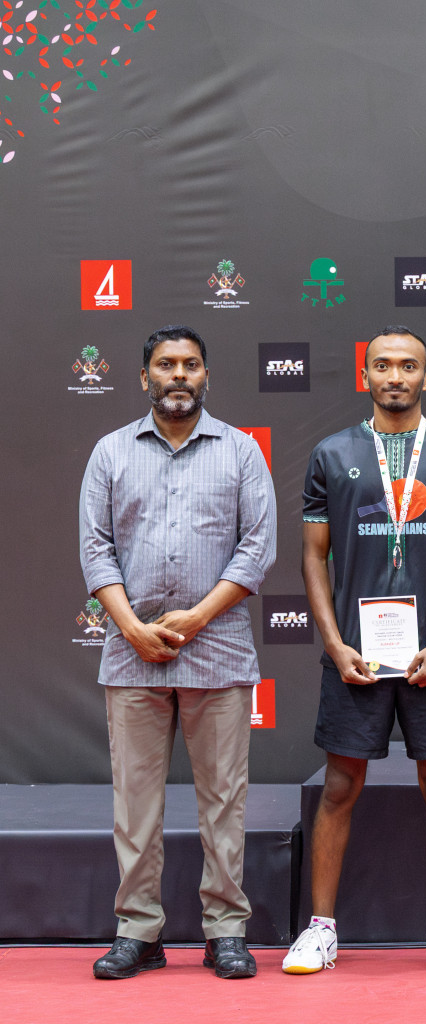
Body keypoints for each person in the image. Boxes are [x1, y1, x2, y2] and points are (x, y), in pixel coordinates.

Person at [284, 326, 426, 975]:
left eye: (408, 366)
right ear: (365, 376)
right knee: (340, 786)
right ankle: (321, 930)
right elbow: (313, 556)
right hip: (357, 658)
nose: (395, 376)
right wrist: (333, 641)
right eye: (383, 365)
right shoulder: (331, 452)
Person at [79, 325, 276, 980]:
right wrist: (132, 626)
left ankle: (226, 930)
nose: (179, 375)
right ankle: (139, 930)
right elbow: (96, 548)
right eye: (166, 365)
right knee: (135, 802)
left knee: (224, 798)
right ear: (144, 378)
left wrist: (196, 616)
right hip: (130, 649)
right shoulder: (110, 453)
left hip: (217, 645)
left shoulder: (242, 452)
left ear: (206, 376)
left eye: (191, 364)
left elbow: (257, 549)